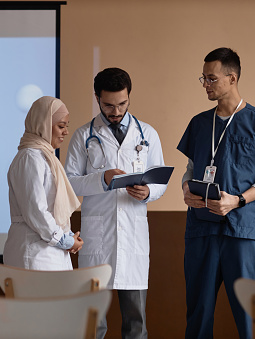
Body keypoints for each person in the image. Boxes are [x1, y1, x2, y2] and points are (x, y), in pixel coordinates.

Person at [177, 47, 255, 339]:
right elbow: (190, 168)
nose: (205, 85)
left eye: (211, 79)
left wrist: (238, 200)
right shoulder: (199, 123)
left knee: (252, 315)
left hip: (241, 231)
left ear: (231, 78)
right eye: (203, 79)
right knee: (198, 315)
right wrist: (186, 188)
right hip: (201, 229)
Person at [65, 67, 167, 339]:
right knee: (93, 322)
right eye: (109, 105)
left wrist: (148, 192)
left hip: (133, 236)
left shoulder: (147, 134)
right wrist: (102, 179)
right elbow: (70, 183)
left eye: (122, 103)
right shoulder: (82, 136)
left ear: (129, 96)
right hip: (98, 237)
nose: (116, 111)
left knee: (136, 322)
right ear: (97, 98)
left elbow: (161, 180)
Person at [3, 96, 83, 270]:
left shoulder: (45, 157)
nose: (65, 132)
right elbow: (36, 210)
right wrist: (66, 240)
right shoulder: (30, 157)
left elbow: (52, 209)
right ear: (43, 124)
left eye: (66, 126)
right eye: (61, 126)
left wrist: (68, 237)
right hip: (35, 252)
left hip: (49, 249)